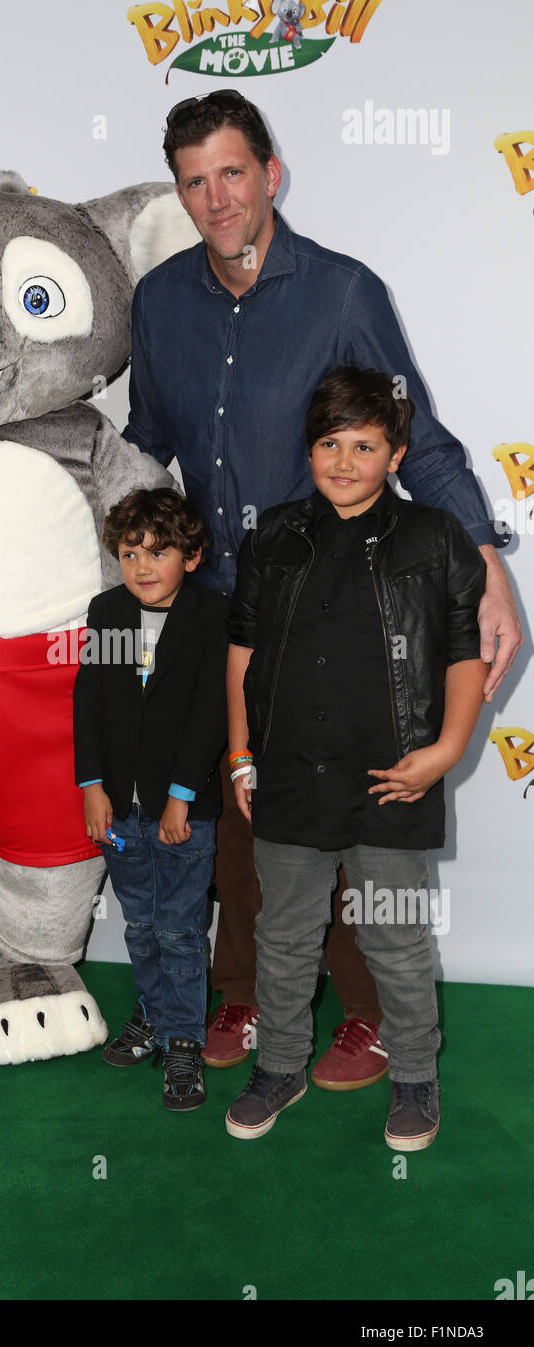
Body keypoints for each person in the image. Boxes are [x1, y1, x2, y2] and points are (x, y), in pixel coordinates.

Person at [123, 91, 522, 1082]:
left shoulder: (343, 293)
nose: (214, 198)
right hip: (214, 602)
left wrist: (482, 564)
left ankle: (374, 1013)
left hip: (338, 605)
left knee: (339, 813)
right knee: (237, 818)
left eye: (230, 172)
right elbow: (141, 449)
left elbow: (417, 440)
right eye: (192, 181)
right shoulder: (158, 300)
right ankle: (255, 996)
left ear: (269, 172)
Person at [225, 366, 487, 1149]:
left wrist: (443, 753)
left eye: (364, 445)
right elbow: (241, 654)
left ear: (396, 454)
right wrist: (241, 757)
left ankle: (415, 1080)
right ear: (310, 449)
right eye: (329, 443)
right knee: (284, 938)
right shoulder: (272, 534)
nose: (344, 460)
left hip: (390, 780)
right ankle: (278, 1066)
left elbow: (464, 659)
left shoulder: (434, 538)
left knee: (396, 941)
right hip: (288, 775)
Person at [73, 489, 228, 1111]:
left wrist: (180, 798)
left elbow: (210, 714)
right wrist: (91, 786)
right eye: (130, 551)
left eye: (158, 552)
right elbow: (88, 702)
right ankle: (154, 1013)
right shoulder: (106, 611)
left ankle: (185, 1040)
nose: (141, 565)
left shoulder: (214, 615)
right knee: (141, 923)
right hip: (118, 809)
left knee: (182, 930)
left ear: (192, 557)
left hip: (183, 809)